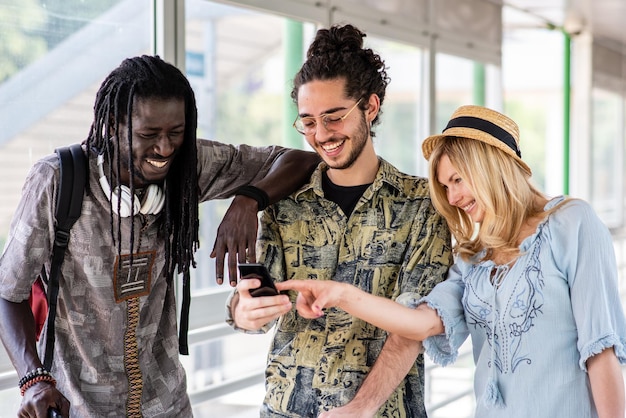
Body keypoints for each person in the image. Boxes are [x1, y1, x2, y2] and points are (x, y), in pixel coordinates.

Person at [0, 55, 319, 417]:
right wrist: (34, 379)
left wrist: (249, 199)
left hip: (166, 405)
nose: (165, 149)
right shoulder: (57, 180)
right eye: (148, 135)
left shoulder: (189, 167)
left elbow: (300, 161)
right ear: (112, 126)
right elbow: (7, 292)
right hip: (78, 407)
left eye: (176, 133)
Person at [279, 105, 626, 418]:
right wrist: (340, 294)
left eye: (457, 180)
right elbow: (418, 324)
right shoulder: (472, 259)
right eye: (445, 187)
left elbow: (601, 351)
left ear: (492, 167)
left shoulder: (572, 222)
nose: (453, 197)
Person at [226, 24, 452, 417]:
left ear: (370, 107)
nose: (321, 134)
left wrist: (361, 408)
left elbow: (414, 325)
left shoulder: (423, 205)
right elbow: (263, 299)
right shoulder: (285, 206)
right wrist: (240, 312)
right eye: (308, 121)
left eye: (334, 117)